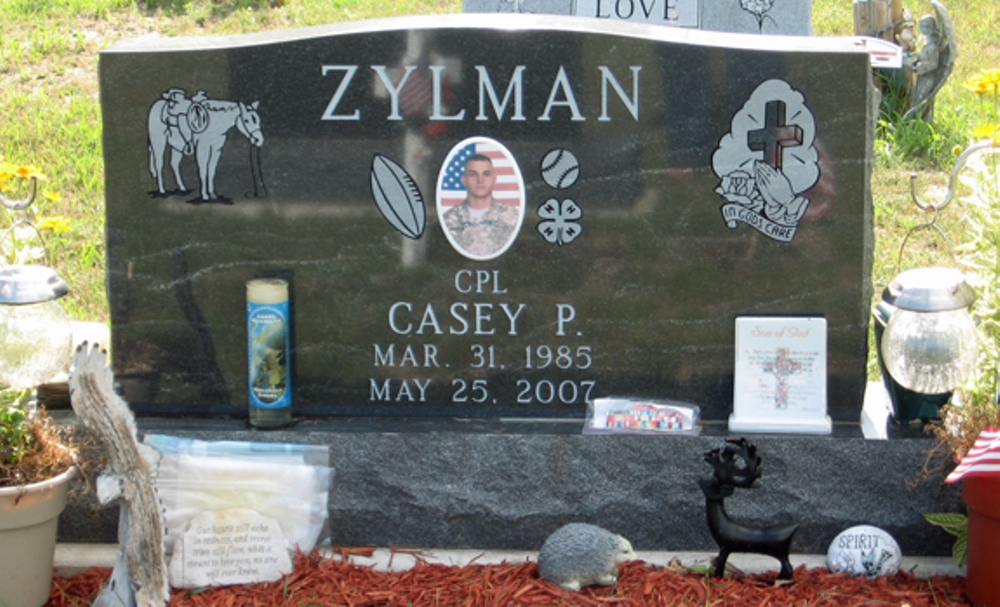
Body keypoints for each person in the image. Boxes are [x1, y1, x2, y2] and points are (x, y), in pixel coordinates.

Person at [443, 154, 519, 258]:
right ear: (464, 180)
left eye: (486, 174)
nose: (480, 180)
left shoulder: (513, 217)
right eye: (473, 174)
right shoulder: (448, 219)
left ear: (494, 179)